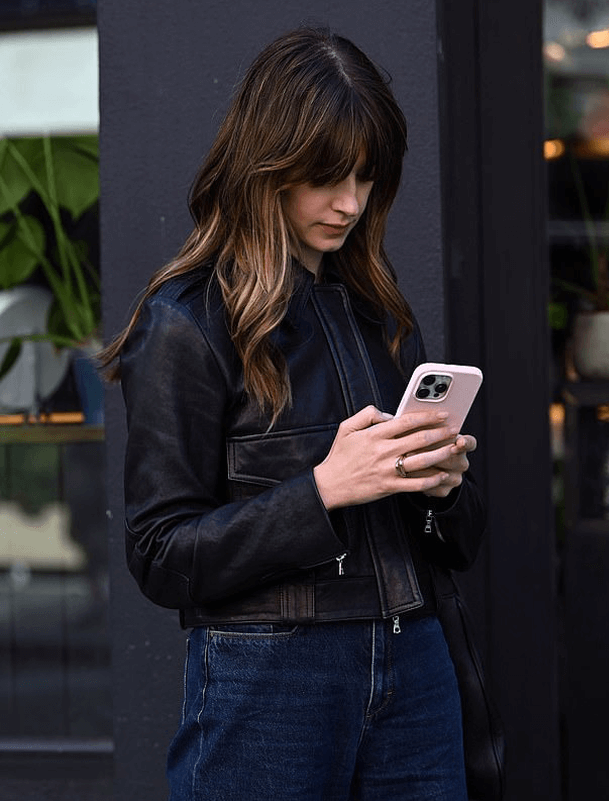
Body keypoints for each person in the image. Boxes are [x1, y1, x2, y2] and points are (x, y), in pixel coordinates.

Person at [102, 26, 486, 801]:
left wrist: (443, 488)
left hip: (415, 663)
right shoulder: (186, 320)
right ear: (267, 167)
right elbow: (160, 553)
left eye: (367, 178)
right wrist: (322, 491)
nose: (349, 203)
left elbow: (463, 543)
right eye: (325, 177)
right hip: (272, 679)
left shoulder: (379, 311)